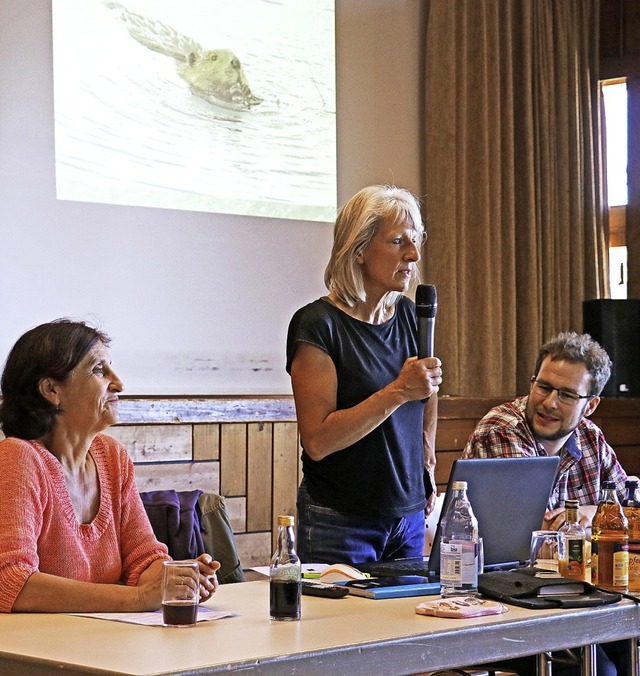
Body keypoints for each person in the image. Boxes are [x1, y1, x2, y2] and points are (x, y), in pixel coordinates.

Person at [0, 319, 220, 613]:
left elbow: (143, 559)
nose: (118, 383)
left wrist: (177, 578)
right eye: (98, 370)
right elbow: (13, 583)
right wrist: (140, 599)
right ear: (51, 389)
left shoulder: (112, 456)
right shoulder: (18, 458)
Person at [286, 185, 443, 566]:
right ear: (358, 249)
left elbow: (428, 389)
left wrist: (426, 458)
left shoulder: (409, 315)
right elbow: (319, 441)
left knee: (408, 626)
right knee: (342, 627)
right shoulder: (318, 325)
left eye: (415, 240)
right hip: (339, 521)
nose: (414, 254)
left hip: (406, 517)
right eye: (397, 241)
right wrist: (397, 391)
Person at [462, 331, 629, 676]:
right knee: (602, 671)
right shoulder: (501, 429)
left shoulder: (591, 437)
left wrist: (586, 514)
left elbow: (630, 511)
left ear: (590, 405)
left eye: (566, 394)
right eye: (543, 386)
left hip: (574, 596)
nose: (549, 402)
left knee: (630, 649)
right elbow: (540, 539)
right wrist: (597, 519)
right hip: (504, 602)